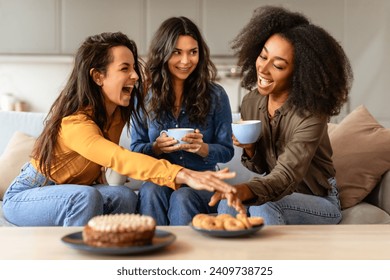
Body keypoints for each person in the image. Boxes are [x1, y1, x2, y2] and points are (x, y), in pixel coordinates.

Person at [2, 32, 241, 227]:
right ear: (98, 76)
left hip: (80, 190)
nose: (135, 76)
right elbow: (120, 158)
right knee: (86, 197)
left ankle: (122, 257)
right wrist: (187, 174)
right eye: (125, 69)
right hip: (32, 194)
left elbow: (158, 87)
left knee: (124, 196)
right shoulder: (75, 123)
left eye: (134, 68)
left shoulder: (118, 110)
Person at [209, 6, 354, 225]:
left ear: (299, 73)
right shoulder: (252, 101)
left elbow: (285, 176)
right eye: (262, 56)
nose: (264, 69)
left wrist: (246, 189)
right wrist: (249, 148)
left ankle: (276, 259)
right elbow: (260, 168)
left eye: (278, 65)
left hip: (319, 200)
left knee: (266, 205)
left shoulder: (311, 114)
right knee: (226, 204)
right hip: (276, 192)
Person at [130, 17, 234, 225]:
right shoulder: (142, 96)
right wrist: (156, 148)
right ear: (163, 53)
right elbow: (135, 150)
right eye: (177, 52)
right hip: (160, 179)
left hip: (202, 182)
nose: (186, 61)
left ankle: (186, 257)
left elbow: (227, 150)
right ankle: (153, 251)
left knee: (183, 196)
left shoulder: (216, 95)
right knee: (150, 190)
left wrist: (203, 149)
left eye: (192, 52)